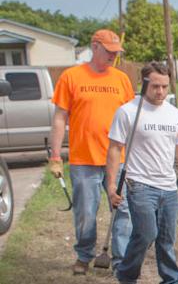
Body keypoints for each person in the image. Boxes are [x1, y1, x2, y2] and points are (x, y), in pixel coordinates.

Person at [48, 29, 134, 275]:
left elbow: (131, 119)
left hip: (118, 159)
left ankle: (120, 260)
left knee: (123, 211)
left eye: (116, 52)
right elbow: (60, 118)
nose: (113, 56)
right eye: (109, 51)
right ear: (94, 47)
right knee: (85, 212)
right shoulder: (71, 77)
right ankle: (84, 255)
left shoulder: (121, 79)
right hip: (84, 159)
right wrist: (55, 155)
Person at [106, 62, 178, 284]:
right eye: (155, 86)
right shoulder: (128, 111)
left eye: (165, 86)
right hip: (139, 184)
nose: (160, 91)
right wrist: (111, 185)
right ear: (143, 83)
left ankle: (171, 279)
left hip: (169, 186)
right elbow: (114, 149)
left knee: (167, 239)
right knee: (146, 233)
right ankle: (126, 274)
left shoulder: (175, 114)